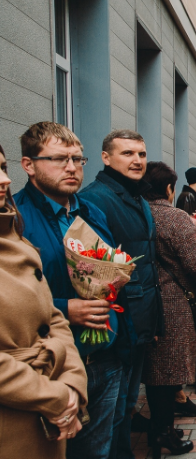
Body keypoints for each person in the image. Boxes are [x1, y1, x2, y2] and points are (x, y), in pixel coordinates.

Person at [14, 122, 126, 459]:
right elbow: (13, 297)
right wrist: (65, 308)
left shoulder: (91, 211)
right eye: (59, 159)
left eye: (78, 159)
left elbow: (107, 271)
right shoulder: (16, 218)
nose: (71, 167)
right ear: (28, 165)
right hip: (53, 364)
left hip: (105, 355)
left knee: (98, 452)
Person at [78, 130, 164, 459]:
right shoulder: (96, 198)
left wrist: (153, 324)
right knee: (112, 416)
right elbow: (99, 273)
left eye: (141, 154)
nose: (137, 160)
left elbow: (147, 265)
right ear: (106, 157)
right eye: (127, 153)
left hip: (140, 321)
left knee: (127, 407)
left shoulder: (138, 197)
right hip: (117, 323)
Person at [0, 143, 89, 458]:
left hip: (53, 398)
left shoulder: (17, 238)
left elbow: (52, 319)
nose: (4, 180)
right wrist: (55, 397)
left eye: (2, 168)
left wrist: (72, 383)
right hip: (14, 417)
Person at [142, 162, 196, 457]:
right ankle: (163, 433)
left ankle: (162, 428)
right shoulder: (174, 217)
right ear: (169, 189)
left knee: (155, 370)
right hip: (174, 301)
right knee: (168, 371)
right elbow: (195, 263)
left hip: (146, 298)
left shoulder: (137, 213)